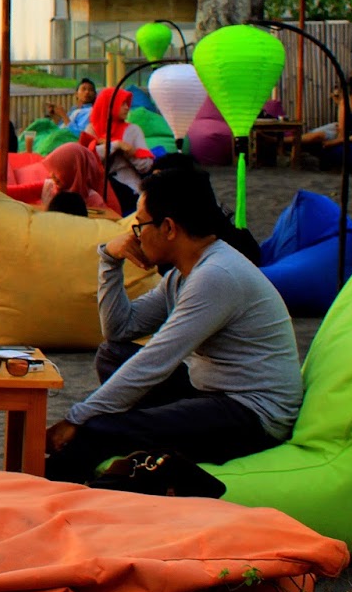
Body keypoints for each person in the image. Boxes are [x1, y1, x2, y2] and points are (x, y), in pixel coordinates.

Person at [45, 167, 301, 483]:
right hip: (211, 392)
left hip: (252, 414)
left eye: (139, 225)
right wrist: (110, 261)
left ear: (168, 228)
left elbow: (156, 361)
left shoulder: (216, 276)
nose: (134, 235)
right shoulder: (184, 274)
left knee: (101, 428)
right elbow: (120, 329)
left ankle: (51, 487)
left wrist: (78, 417)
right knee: (113, 354)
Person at [78, 88, 153, 214]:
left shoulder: (133, 130)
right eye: (122, 103)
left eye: (127, 104)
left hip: (127, 189)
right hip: (97, 187)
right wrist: (116, 145)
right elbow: (88, 158)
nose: (127, 108)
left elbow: (146, 166)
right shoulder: (92, 129)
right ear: (109, 104)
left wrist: (130, 153)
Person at [301, 84, 352, 169]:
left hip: (346, 136)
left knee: (318, 137)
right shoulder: (346, 102)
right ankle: (278, 142)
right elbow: (342, 130)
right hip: (339, 130)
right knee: (316, 136)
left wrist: (334, 142)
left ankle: (280, 143)